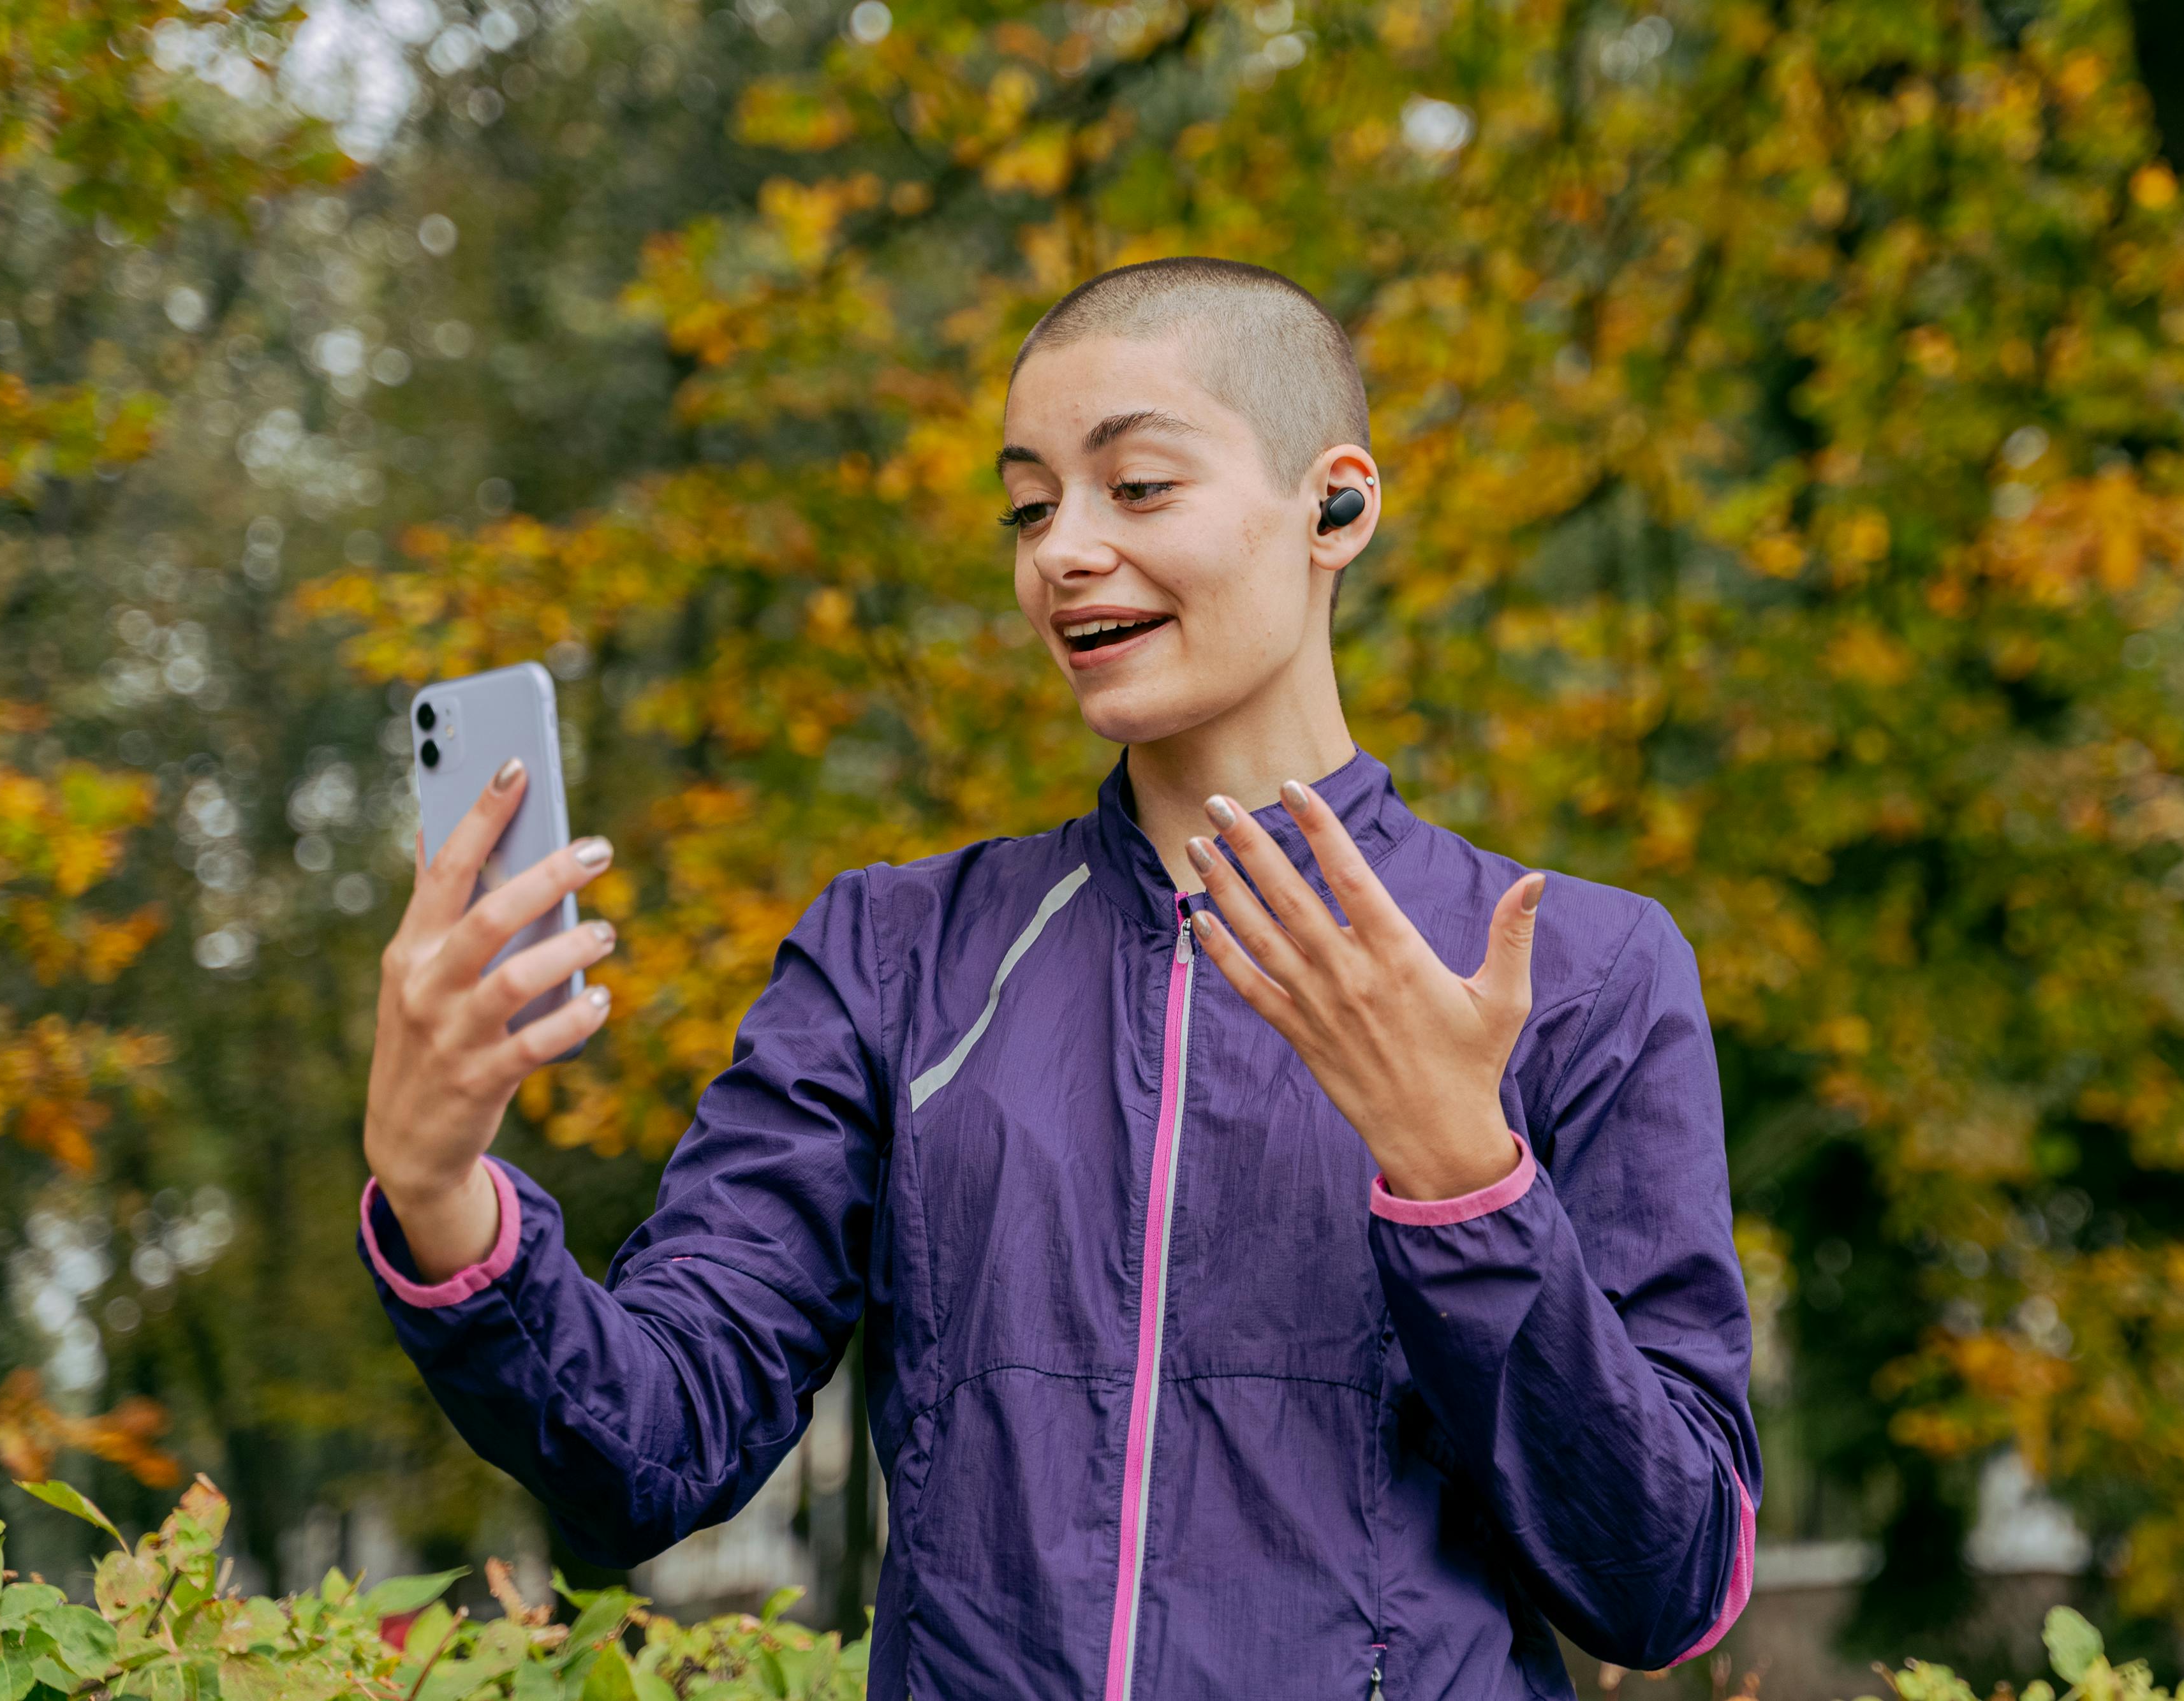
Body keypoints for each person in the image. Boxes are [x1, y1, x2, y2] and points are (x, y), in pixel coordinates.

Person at [357, 257, 1758, 1700]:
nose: (1061, 554)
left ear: (1333, 503)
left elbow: (1665, 1577)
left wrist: (1464, 1181)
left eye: (1135, 486)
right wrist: (441, 1194)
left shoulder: (1578, 969)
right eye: (1030, 506)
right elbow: (653, 1443)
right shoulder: (892, 956)